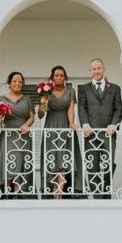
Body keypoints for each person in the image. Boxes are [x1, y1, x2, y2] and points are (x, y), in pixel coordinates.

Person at [77, 58, 122, 198]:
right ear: (89, 71)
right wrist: (84, 123)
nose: (96, 71)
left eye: (99, 68)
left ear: (104, 68)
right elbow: (82, 108)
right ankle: (97, 195)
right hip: (90, 134)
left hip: (108, 133)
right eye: (93, 69)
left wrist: (114, 124)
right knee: (92, 165)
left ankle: (106, 192)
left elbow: (118, 109)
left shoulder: (114, 88)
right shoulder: (83, 89)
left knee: (108, 164)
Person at [39, 65, 83, 198]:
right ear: (52, 77)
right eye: (56, 75)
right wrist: (42, 103)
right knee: (52, 156)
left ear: (65, 77)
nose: (59, 78)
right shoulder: (46, 91)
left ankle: (60, 190)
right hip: (51, 126)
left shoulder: (71, 90)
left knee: (64, 156)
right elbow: (41, 115)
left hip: (64, 125)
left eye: (61, 75)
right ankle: (53, 191)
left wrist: (71, 124)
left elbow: (70, 110)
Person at [0, 72, 35, 197]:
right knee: (6, 162)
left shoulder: (27, 99)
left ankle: (17, 194)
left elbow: (32, 117)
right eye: (15, 81)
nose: (17, 84)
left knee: (20, 163)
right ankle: (6, 192)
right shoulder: (0, 99)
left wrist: (27, 125)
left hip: (23, 135)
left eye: (20, 82)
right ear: (9, 83)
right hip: (7, 135)